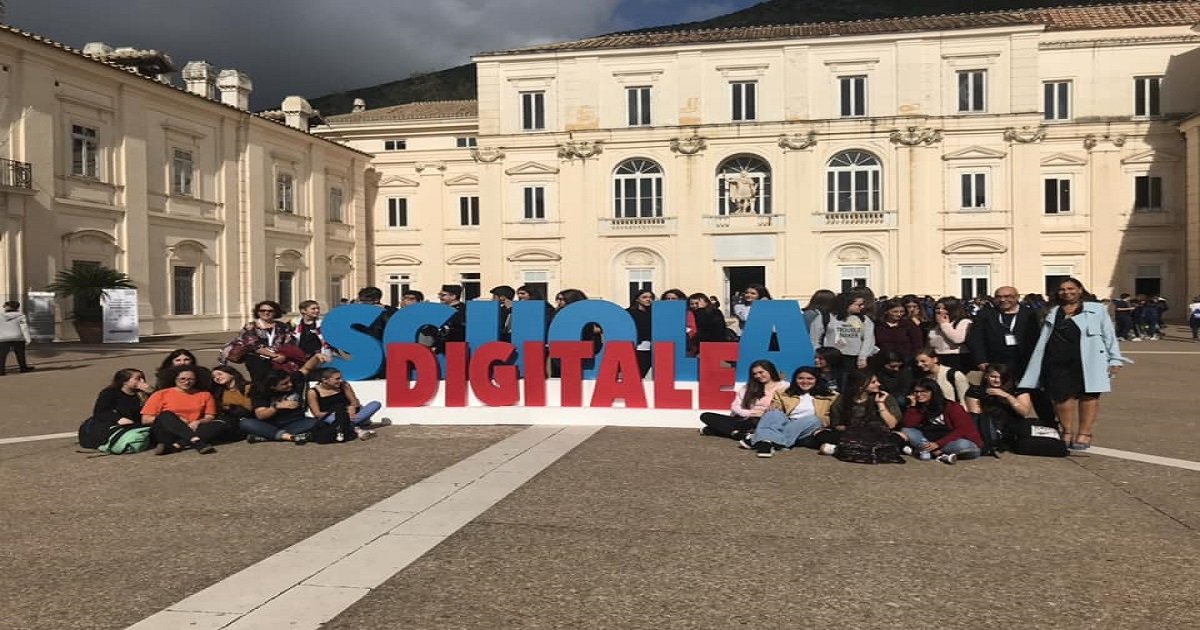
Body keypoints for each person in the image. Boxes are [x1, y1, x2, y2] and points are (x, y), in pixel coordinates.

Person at [1019, 277, 1129, 450]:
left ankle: (1085, 433)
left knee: (1089, 395)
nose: (1066, 292)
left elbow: (1109, 335)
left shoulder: (1096, 309)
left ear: (1080, 290)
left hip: (1088, 358)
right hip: (1056, 358)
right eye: (1062, 289)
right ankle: (1067, 431)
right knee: (1061, 397)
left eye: (1071, 288)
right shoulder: (1052, 310)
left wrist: (1115, 358)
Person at [742, 366, 835, 458]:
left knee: (813, 419)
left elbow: (831, 417)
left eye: (810, 379)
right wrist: (775, 406)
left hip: (809, 425)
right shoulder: (783, 393)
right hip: (787, 423)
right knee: (773, 412)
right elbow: (777, 406)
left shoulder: (831, 397)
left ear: (817, 380)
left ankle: (759, 439)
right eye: (800, 378)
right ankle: (767, 443)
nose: (805, 381)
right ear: (795, 380)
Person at [812, 371, 904, 464]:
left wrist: (880, 403)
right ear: (860, 385)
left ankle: (838, 449)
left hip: (877, 435)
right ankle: (860, 449)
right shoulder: (843, 399)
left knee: (900, 436)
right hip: (850, 434)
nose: (878, 384)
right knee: (819, 434)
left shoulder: (884, 397)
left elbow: (891, 424)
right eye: (873, 382)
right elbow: (836, 425)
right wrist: (851, 428)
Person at [900, 377, 983, 464]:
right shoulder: (919, 407)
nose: (919, 394)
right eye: (916, 392)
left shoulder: (952, 407)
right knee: (906, 430)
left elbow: (961, 430)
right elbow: (908, 424)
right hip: (929, 439)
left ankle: (930, 452)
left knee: (965, 446)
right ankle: (934, 453)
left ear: (933, 392)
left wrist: (938, 444)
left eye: (924, 391)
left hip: (952, 440)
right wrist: (913, 406)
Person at [140, 366, 220, 455]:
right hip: (167, 431)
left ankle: (176, 446)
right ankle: (197, 442)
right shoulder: (160, 394)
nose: (187, 382)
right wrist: (177, 420)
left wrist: (198, 422)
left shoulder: (205, 395)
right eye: (182, 379)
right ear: (175, 379)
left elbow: (210, 416)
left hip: (193, 427)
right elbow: (145, 419)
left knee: (220, 424)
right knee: (166, 415)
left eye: (191, 379)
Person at [698, 360, 785, 441]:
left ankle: (716, 431)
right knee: (705, 416)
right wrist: (749, 413)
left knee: (756, 422)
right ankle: (738, 434)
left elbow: (787, 406)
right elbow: (735, 406)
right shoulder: (748, 387)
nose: (758, 376)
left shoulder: (783, 386)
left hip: (764, 420)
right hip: (744, 419)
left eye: (761, 372)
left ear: (770, 370)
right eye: (755, 374)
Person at [967, 286, 1041, 377]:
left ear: (1017, 297)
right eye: (998, 297)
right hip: (995, 363)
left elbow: (1036, 338)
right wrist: (980, 360)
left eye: (1007, 296)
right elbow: (975, 339)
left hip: (1024, 361)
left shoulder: (1030, 314)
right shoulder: (985, 315)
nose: (1002, 300)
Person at [79, 368, 152, 448]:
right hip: (113, 424)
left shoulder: (142, 394)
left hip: (135, 424)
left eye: (143, 378)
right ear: (125, 381)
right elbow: (100, 412)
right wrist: (118, 419)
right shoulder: (110, 393)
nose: (142, 381)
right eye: (137, 379)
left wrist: (151, 393)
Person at [228, 300, 298, 382]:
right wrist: (273, 356)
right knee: (261, 382)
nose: (266, 313)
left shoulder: (283, 326)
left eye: (270, 311)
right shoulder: (251, 326)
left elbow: (289, 343)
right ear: (258, 312)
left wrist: (283, 356)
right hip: (257, 359)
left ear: (275, 312)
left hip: (279, 358)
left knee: (281, 381)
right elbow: (253, 345)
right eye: (262, 310)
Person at [243, 370, 317, 444]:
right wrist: (276, 407)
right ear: (272, 387)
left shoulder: (294, 379)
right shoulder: (260, 392)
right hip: (272, 424)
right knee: (246, 423)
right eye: (285, 384)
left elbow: (306, 368)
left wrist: (317, 359)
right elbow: (260, 415)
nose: (290, 384)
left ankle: (268, 436)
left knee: (317, 423)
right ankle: (290, 437)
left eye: (290, 381)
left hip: (296, 422)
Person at [306, 367, 382, 439]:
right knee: (336, 419)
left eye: (341, 378)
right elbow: (317, 413)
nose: (340, 380)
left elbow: (354, 402)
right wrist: (339, 415)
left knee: (375, 404)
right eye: (337, 379)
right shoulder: (313, 392)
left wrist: (352, 408)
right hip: (331, 416)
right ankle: (356, 429)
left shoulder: (344, 385)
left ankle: (350, 425)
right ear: (324, 380)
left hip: (350, 413)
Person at [965, 363, 1033, 439]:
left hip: (1013, 427)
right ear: (986, 375)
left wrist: (1008, 396)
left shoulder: (1018, 391)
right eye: (993, 377)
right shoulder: (976, 391)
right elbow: (976, 417)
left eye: (1002, 377)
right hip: (988, 428)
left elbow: (1024, 412)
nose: (997, 380)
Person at [811, 291, 875, 369]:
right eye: (859, 305)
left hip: (854, 358)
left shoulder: (864, 319)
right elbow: (814, 339)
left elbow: (868, 340)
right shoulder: (825, 317)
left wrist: (863, 357)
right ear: (847, 304)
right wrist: (819, 356)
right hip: (830, 358)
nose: (862, 307)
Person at [208, 365, 253, 442]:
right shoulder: (220, 392)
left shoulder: (247, 387)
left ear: (232, 374)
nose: (217, 378)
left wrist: (231, 407)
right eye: (214, 377)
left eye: (220, 374)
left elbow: (249, 407)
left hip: (248, 418)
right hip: (232, 421)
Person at [927, 297, 972, 373]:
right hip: (938, 356)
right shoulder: (935, 325)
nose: (940, 311)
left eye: (944, 308)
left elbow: (957, 339)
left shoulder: (963, 321)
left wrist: (944, 324)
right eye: (938, 308)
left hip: (956, 358)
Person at [0, 300, 32, 374]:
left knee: (1, 355)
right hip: (18, 338)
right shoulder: (21, 316)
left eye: (5, 306)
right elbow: (24, 328)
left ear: (8, 307)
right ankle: (23, 368)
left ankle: (1, 371)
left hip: (3, 338)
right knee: (20, 354)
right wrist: (28, 339)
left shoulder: (0, 316)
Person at [627, 289, 655, 377]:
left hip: (651, 349)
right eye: (644, 297)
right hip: (634, 348)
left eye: (651, 297)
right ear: (637, 299)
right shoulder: (629, 313)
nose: (648, 299)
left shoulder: (655, 313)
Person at [661, 289, 697, 354]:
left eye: (673, 298)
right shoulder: (660, 312)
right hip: (664, 343)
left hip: (682, 344)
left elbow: (691, 329)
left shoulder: (687, 313)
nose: (670, 301)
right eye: (667, 298)